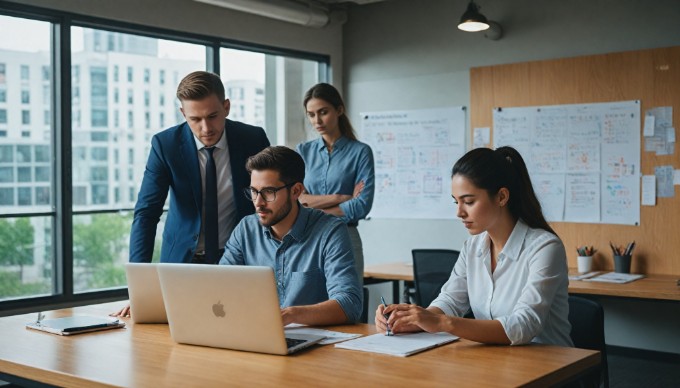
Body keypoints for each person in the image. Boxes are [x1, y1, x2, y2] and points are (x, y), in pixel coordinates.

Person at [376, 146, 573, 347]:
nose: (459, 212)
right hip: (497, 361)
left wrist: (442, 323)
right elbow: (450, 301)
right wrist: (411, 319)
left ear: (502, 197)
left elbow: (523, 325)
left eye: (468, 202)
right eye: (456, 202)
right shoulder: (473, 247)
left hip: (550, 365)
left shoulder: (545, 248)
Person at [114, 71, 269, 317]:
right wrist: (139, 289)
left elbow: (271, 199)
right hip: (183, 263)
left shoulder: (253, 139)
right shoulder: (165, 145)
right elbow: (146, 213)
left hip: (241, 260)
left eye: (213, 116)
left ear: (226, 107)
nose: (205, 128)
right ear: (183, 114)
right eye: (195, 119)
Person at [219, 146, 362, 326]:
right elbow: (221, 285)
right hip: (255, 333)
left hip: (313, 345)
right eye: (254, 191)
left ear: (296, 191)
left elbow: (349, 304)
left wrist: (291, 315)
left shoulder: (330, 231)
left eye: (268, 192)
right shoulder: (246, 229)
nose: (258, 203)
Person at [295, 83, 375, 283]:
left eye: (323, 112)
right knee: (310, 302)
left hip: (345, 237)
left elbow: (361, 206)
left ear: (339, 110)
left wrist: (312, 209)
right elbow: (297, 200)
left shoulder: (360, 152)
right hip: (309, 238)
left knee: (347, 303)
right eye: (311, 114)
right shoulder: (303, 151)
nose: (317, 120)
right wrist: (340, 198)